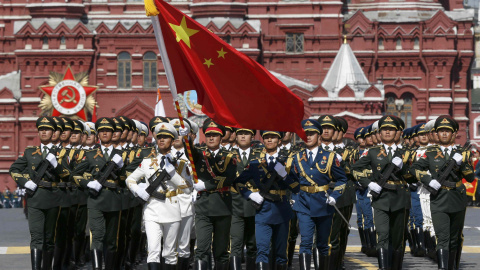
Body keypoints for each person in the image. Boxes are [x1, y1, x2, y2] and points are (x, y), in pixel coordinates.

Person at [410, 116, 475, 270]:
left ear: (454, 134)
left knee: (455, 238)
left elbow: (471, 177)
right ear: (437, 134)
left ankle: (453, 266)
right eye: (441, 131)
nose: (444, 134)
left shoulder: (462, 153)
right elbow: (414, 169)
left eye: (448, 131)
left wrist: (463, 164)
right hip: (438, 197)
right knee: (442, 237)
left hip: (457, 197)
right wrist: (428, 180)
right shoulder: (430, 153)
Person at [352, 115, 415, 270]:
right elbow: (356, 169)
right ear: (379, 133)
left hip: (400, 198)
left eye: (391, 129)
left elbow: (413, 176)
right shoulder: (372, 152)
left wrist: (403, 168)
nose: (387, 132)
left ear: (398, 132)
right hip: (380, 197)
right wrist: (369, 183)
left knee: (398, 238)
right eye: (384, 129)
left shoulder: (406, 152)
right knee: (383, 235)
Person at [126, 122, 192, 269]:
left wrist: (173, 174)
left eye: (166, 137)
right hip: (152, 209)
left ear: (172, 140)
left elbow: (188, 188)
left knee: (169, 253)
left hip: (172, 209)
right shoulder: (147, 162)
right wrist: (138, 190)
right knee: (153, 250)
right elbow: (129, 179)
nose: (161, 140)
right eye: (159, 137)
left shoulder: (180, 163)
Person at [235, 129, 299, 270]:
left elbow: (296, 187)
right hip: (263, 210)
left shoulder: (288, 162)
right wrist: (250, 195)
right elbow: (238, 182)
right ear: (263, 140)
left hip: (282, 209)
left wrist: (284, 175)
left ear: (279, 141)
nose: (269, 140)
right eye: (267, 137)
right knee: (262, 250)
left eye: (273, 137)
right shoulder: (254, 163)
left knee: (281, 252)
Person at [9, 116, 66, 269]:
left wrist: (57, 166)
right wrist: (25, 182)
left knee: (49, 238)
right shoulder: (30, 152)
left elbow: (69, 175)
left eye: (46, 129)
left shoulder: (61, 152)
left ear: (53, 132)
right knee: (36, 237)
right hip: (35, 199)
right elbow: (14, 169)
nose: (43, 132)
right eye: (41, 130)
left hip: (53, 198)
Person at [289, 119, 347, 270]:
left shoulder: (330, 157)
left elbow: (342, 179)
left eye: (312, 133)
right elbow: (292, 181)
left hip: (323, 203)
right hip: (304, 203)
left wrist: (335, 196)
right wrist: (294, 198)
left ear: (319, 136)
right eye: (305, 134)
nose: (308, 136)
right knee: (305, 242)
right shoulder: (296, 157)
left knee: (322, 243)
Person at [71, 117, 125, 270]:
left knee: (112, 239)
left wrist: (121, 168)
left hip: (114, 199)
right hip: (95, 200)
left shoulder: (121, 154)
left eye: (108, 131)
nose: (105, 133)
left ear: (113, 133)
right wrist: (88, 183)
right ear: (98, 134)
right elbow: (75, 174)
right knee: (97, 236)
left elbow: (127, 179)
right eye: (101, 131)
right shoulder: (90, 154)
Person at [190, 119, 237, 269]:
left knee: (221, 251)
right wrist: (186, 140)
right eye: (208, 135)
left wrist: (206, 185)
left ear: (221, 137)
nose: (211, 138)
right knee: (201, 249)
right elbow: (189, 152)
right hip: (203, 207)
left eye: (214, 135)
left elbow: (229, 178)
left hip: (222, 207)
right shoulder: (199, 154)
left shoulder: (229, 156)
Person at [230, 127, 261, 269]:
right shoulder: (228, 155)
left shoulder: (260, 155)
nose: (243, 136)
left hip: (255, 206)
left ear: (252, 136)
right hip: (234, 205)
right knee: (235, 244)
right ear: (235, 136)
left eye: (246, 133)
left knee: (253, 244)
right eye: (240, 133)